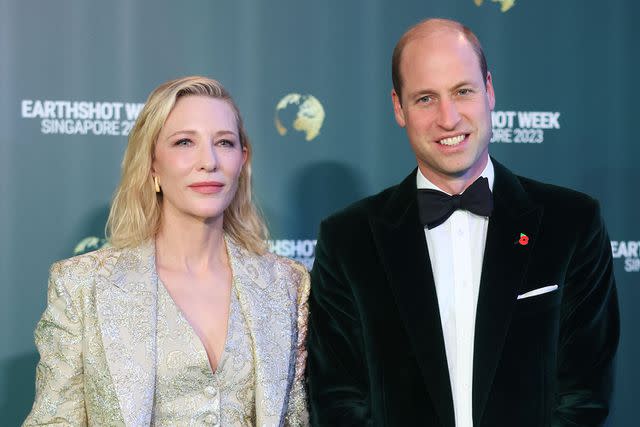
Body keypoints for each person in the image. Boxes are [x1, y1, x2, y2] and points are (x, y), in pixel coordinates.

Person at [307, 18, 619, 427]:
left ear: (488, 91)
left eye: (462, 91)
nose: (448, 118)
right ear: (399, 108)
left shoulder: (573, 223)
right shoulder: (347, 239)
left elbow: (584, 395)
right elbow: (338, 401)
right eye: (425, 99)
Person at [23, 76, 310, 426]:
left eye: (224, 142)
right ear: (153, 163)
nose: (209, 161)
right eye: (185, 142)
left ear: (242, 159)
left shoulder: (287, 285)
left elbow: (297, 419)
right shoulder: (83, 285)